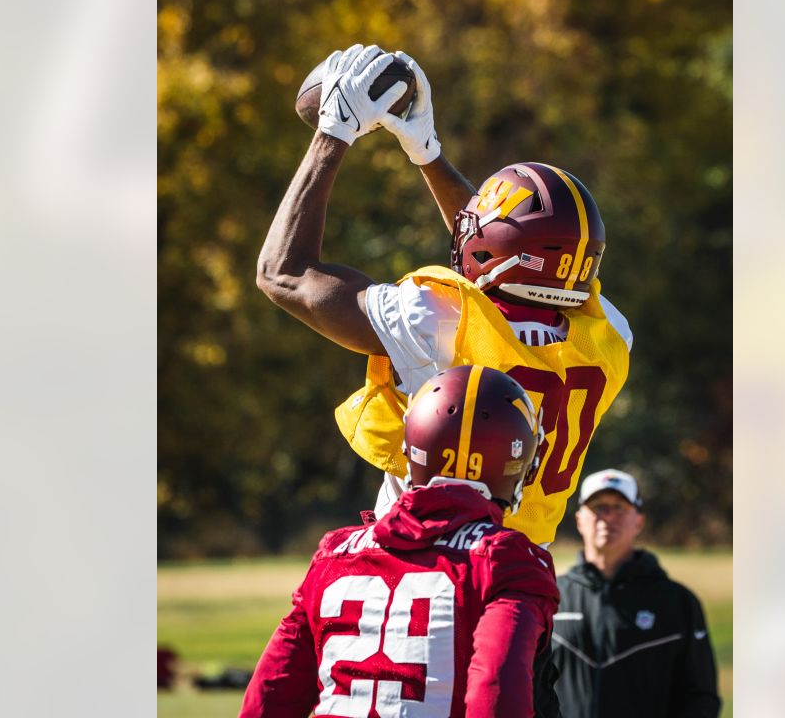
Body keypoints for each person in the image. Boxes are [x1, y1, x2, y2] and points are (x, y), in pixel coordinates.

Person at [255, 43, 633, 551]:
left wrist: (333, 132)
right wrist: (427, 153)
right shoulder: (610, 334)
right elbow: (496, 255)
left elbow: (282, 273)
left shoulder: (434, 317)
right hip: (522, 573)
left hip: (423, 570)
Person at [239, 365, 559, 718]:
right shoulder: (508, 561)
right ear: (519, 463)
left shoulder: (334, 553)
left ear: (411, 448)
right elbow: (496, 695)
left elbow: (269, 697)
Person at [550, 469, 721, 718]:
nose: (608, 517)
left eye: (620, 507)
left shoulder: (676, 602)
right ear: (579, 520)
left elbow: (700, 698)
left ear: (639, 521)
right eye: (598, 507)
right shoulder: (551, 597)